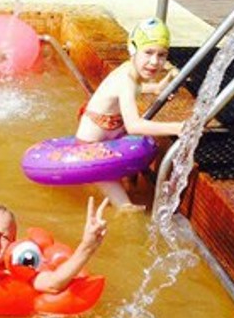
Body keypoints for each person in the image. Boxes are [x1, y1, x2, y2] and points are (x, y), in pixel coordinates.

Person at [73, 18, 183, 211]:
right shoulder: (126, 79)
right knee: (124, 204)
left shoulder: (131, 74)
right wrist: (177, 127)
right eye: (148, 52)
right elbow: (134, 126)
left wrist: (158, 87)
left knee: (123, 183)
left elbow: (136, 89)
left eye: (162, 55)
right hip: (90, 147)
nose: (154, 62)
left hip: (108, 139)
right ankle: (123, 212)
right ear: (133, 49)